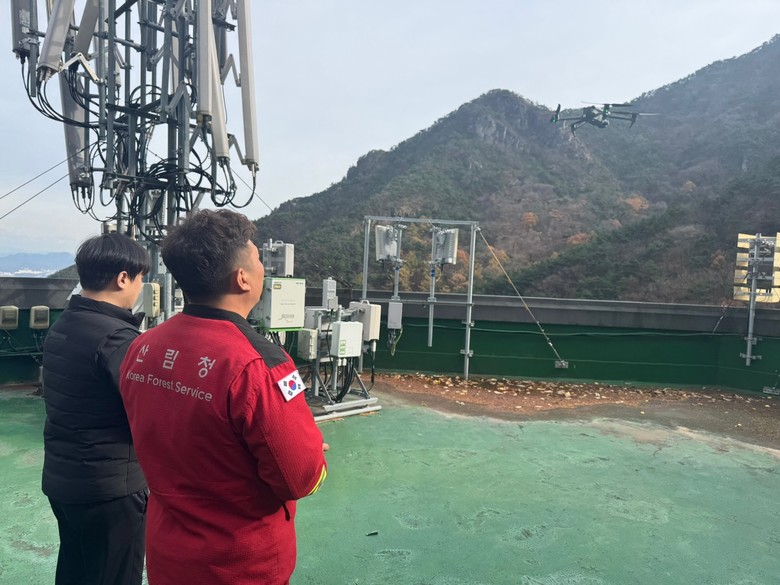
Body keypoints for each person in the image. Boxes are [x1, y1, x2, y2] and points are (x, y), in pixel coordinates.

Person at [119, 209, 328, 585]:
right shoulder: (259, 364)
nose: (263, 268)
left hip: (168, 554)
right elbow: (300, 478)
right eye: (258, 259)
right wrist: (310, 451)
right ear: (242, 278)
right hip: (239, 565)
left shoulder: (142, 348)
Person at [41, 232, 151, 585]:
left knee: (75, 570)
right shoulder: (117, 338)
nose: (139, 287)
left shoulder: (64, 325)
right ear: (123, 278)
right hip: (110, 490)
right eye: (140, 278)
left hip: (63, 480)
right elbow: (148, 412)